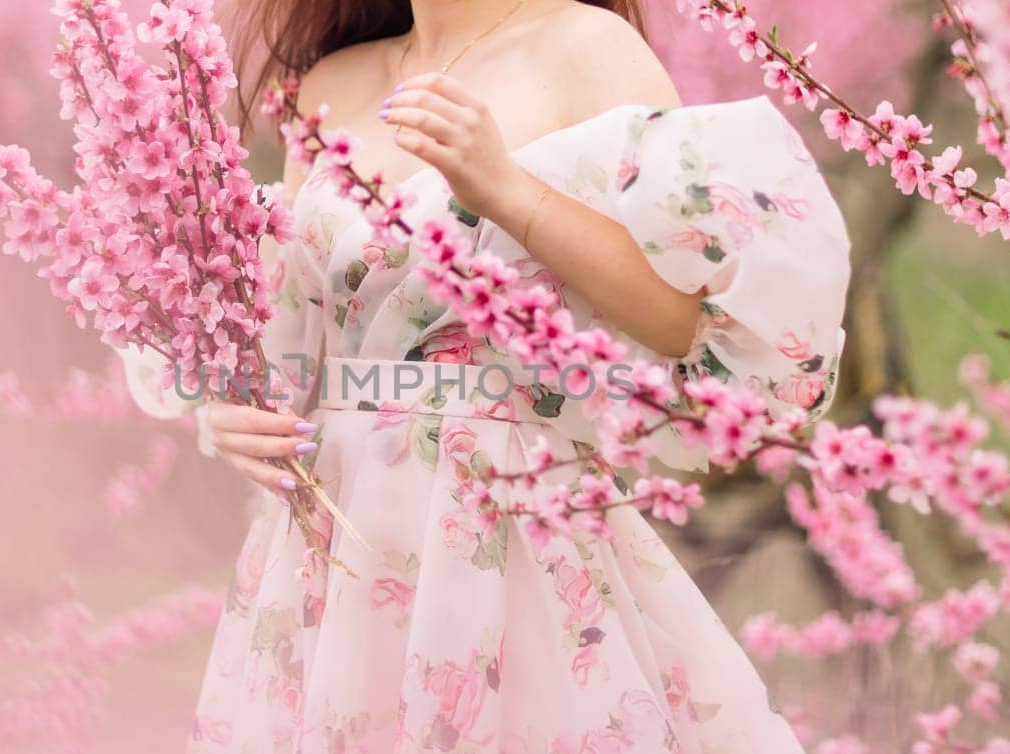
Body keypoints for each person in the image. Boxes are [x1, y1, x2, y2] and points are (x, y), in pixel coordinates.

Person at [121, 0, 851, 750]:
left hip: (506, 529)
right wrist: (229, 418)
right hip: (335, 548)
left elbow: (682, 323)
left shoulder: (587, 48)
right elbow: (296, 348)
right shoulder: (328, 85)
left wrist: (508, 188)